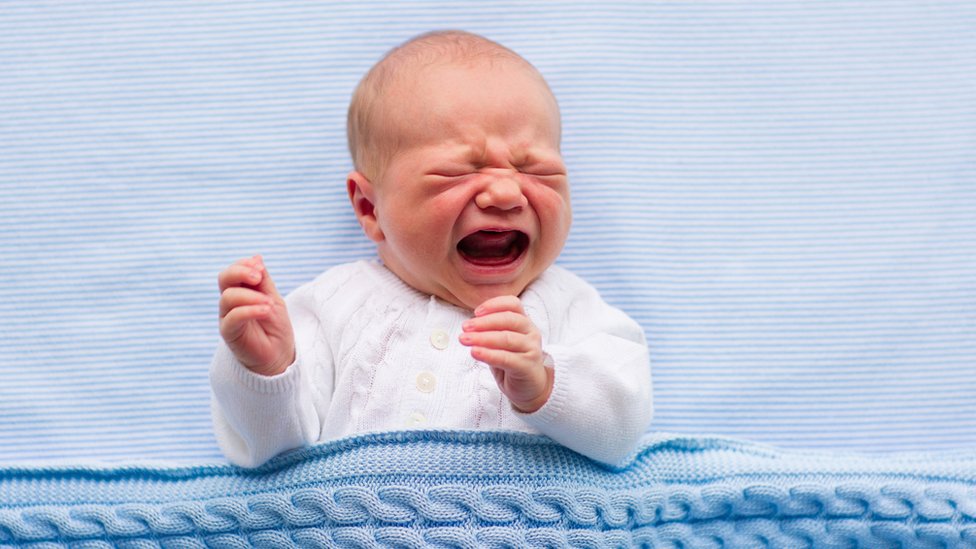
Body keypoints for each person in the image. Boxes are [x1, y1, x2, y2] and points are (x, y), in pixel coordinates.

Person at [210, 30, 652, 468]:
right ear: (370, 208)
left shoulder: (572, 307)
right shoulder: (332, 305)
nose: (504, 193)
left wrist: (546, 384)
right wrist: (268, 373)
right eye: (456, 172)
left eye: (536, 170)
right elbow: (271, 453)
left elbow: (623, 433)